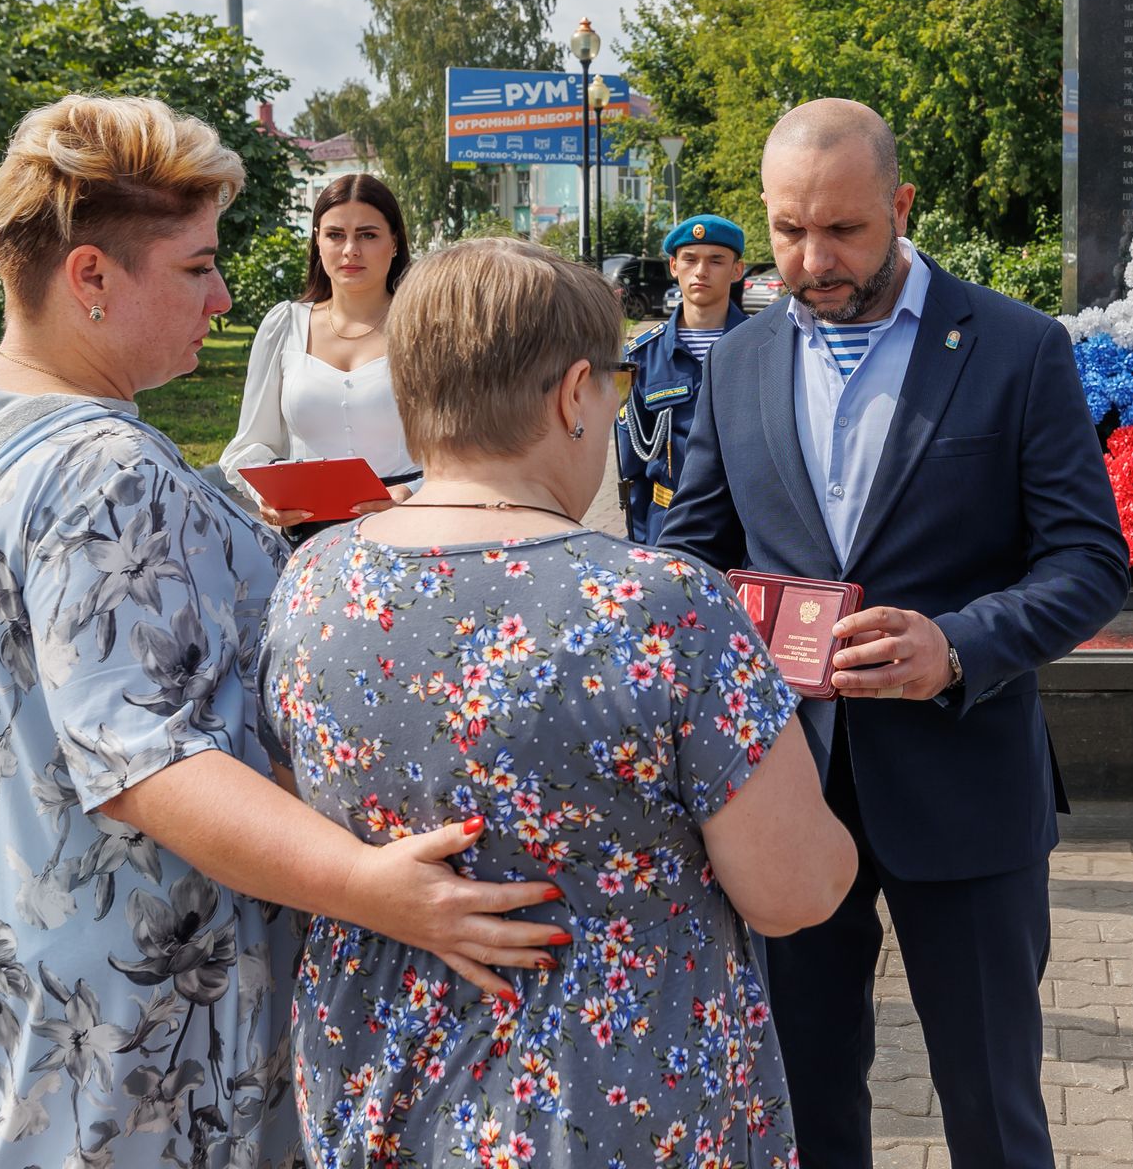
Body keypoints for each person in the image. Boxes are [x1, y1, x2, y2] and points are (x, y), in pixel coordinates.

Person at [0, 96, 563, 1169]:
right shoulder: (104, 472)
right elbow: (149, 766)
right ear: (91, 278)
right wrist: (377, 891)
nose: (222, 297)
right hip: (111, 1016)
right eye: (198, 266)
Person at [257, 237, 857, 1167]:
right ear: (576, 394)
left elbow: (292, 809)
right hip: (609, 1103)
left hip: (373, 1083)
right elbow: (795, 891)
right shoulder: (660, 605)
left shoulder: (311, 581)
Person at [658, 99, 1131, 1169]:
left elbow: (1090, 562)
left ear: (903, 205)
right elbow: (689, 556)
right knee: (802, 1102)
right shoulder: (738, 360)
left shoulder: (1017, 348)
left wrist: (956, 646)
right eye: (788, 231)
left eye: (844, 230)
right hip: (782, 791)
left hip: (965, 792)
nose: (812, 260)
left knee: (993, 1109)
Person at [222, 173, 424, 540]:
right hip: (307, 541)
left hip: (407, 532)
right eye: (335, 235)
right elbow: (249, 445)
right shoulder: (285, 325)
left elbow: (469, 450)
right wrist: (266, 496)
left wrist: (411, 493)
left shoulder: (426, 328)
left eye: (368, 235)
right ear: (317, 241)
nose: (351, 250)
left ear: (394, 242)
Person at [615, 214, 750, 542]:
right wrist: (643, 545)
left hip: (745, 527)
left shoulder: (764, 347)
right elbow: (632, 469)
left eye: (716, 260)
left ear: (737, 270)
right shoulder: (641, 358)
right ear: (674, 266)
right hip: (669, 525)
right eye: (690, 259)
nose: (701, 271)